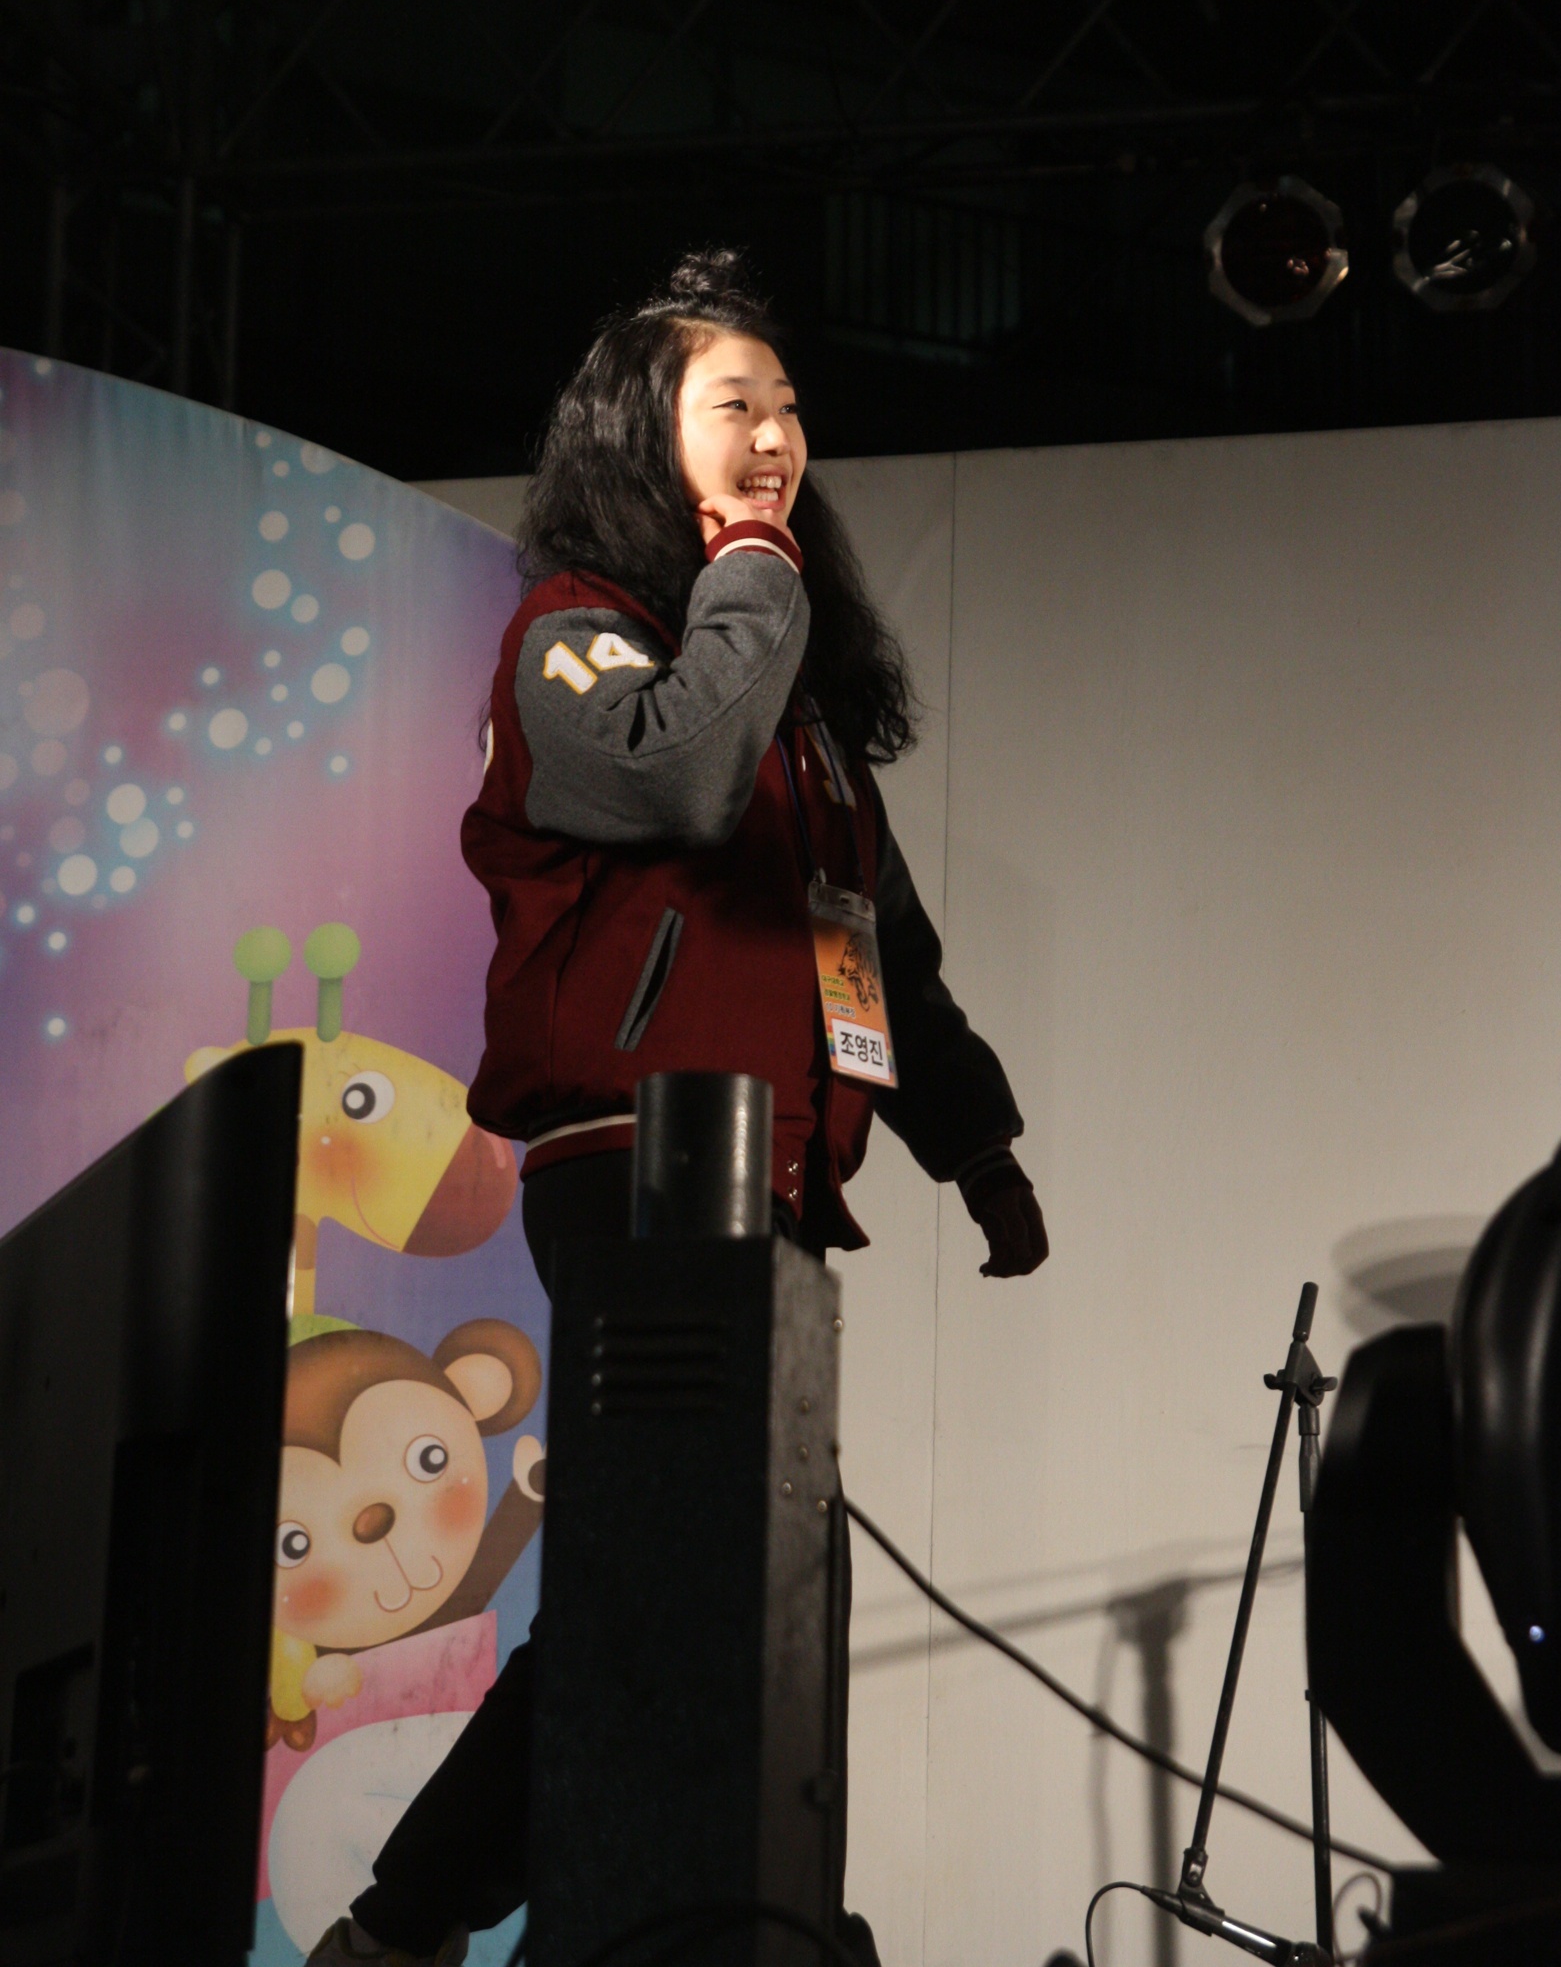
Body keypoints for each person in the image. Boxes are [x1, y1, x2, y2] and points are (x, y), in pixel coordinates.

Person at [310, 250, 1048, 1967]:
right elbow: (677, 771)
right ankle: (415, 1921)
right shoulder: (574, 640)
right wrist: (752, 571)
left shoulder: (797, 716)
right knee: (673, 1566)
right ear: (644, 437)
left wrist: (977, 1145)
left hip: (769, 1185)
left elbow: (877, 953)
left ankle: (733, 1905)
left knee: (753, 1575)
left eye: (790, 406)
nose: (778, 433)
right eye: (735, 405)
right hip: (633, 1165)